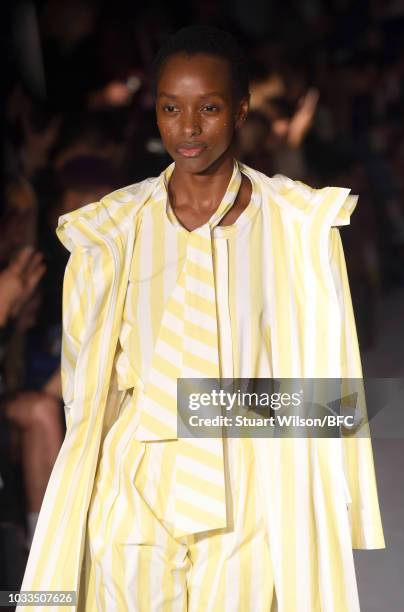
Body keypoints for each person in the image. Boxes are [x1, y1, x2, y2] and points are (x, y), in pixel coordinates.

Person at [18, 26, 385, 611]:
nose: (187, 129)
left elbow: (329, 371)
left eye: (208, 108)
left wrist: (335, 490)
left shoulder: (296, 224)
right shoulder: (112, 228)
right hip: (135, 474)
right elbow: (87, 382)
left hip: (248, 475)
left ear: (240, 110)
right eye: (170, 108)